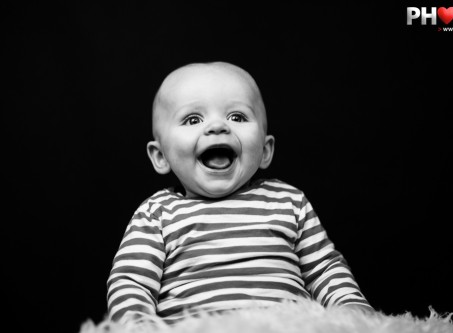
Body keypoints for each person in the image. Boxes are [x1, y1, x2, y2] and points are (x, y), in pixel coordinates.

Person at [106, 61, 373, 325]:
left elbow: (325, 268)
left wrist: (351, 306)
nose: (217, 127)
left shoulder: (288, 201)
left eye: (237, 117)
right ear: (160, 156)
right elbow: (131, 283)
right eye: (193, 119)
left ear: (266, 150)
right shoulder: (157, 214)